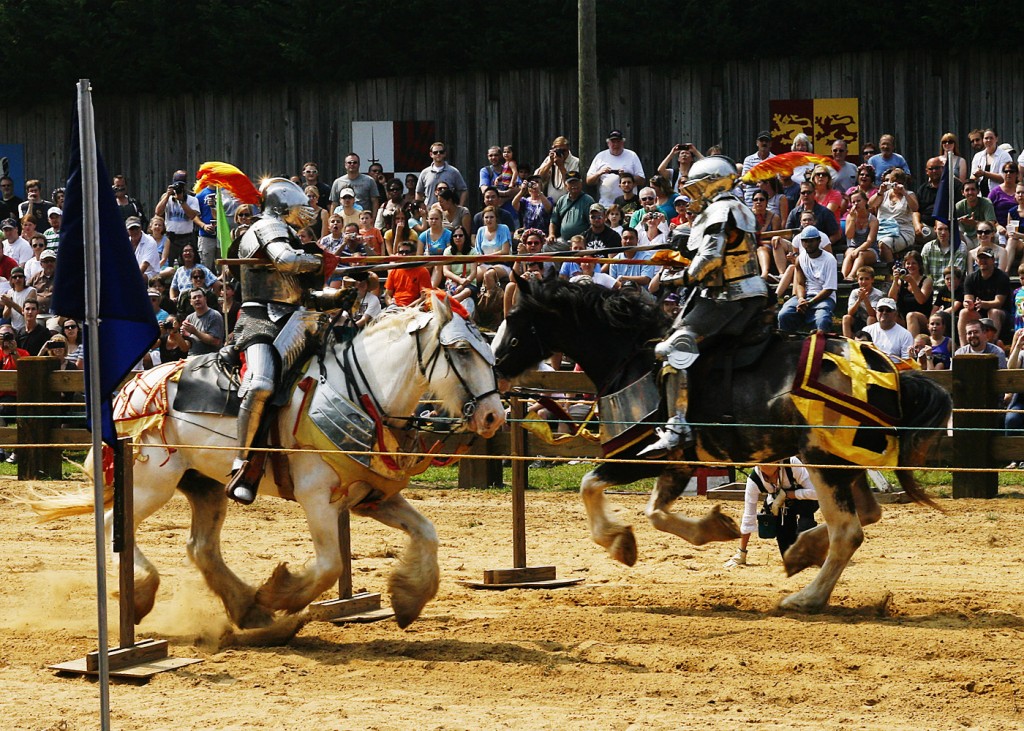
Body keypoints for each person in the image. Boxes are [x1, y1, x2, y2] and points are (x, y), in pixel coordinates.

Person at [226, 176, 342, 504]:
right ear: (282, 204)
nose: (306, 211)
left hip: (292, 318)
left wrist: (340, 295)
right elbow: (286, 261)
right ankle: (242, 463)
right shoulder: (267, 226)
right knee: (260, 384)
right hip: (260, 318)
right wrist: (321, 260)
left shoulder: (290, 234)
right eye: (299, 204)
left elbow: (302, 295)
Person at [642, 156, 768, 456]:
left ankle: (677, 427)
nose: (694, 195)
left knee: (671, 349)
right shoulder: (733, 208)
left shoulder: (722, 210)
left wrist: (677, 278)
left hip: (729, 297)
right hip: (738, 293)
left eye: (698, 189)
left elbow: (709, 261)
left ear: (713, 183)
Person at [724, 457, 819, 567]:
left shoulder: (792, 464)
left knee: (804, 530)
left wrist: (789, 494)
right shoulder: (754, 480)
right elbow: (748, 516)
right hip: (782, 508)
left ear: (778, 462)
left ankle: (811, 548)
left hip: (805, 503)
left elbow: (816, 493)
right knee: (789, 557)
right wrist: (741, 553)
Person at [777, 226, 837, 334]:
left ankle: (820, 345)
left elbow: (829, 289)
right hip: (805, 296)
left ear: (819, 241)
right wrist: (800, 299)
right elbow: (800, 283)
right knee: (784, 314)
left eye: (811, 241)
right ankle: (788, 341)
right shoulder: (800, 258)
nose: (808, 244)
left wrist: (809, 303)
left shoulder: (830, 259)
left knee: (822, 320)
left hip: (824, 298)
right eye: (805, 241)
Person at [959, 246, 1011, 342]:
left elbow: (999, 302)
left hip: (1001, 313)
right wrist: (968, 304)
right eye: (980, 258)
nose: (983, 261)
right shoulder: (970, 278)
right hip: (978, 312)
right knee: (964, 312)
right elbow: (967, 299)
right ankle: (964, 348)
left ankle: (991, 344)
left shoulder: (1002, 277)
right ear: (977, 261)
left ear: (993, 260)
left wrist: (983, 304)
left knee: (993, 311)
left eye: (986, 258)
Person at [870, 168, 919, 263]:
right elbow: (870, 205)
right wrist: (880, 192)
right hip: (883, 229)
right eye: (893, 183)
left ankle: (891, 270)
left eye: (899, 183)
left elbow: (915, 208)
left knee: (884, 243)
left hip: (902, 230)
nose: (896, 186)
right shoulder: (883, 194)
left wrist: (904, 193)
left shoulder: (909, 194)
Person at [586, 130, 645, 207]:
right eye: (613, 142)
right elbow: (589, 181)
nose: (616, 144)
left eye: (618, 141)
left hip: (628, 205)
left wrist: (626, 175)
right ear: (608, 143)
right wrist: (600, 173)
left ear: (623, 142)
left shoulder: (632, 155)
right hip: (606, 206)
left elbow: (642, 180)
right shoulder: (600, 156)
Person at [153, 170, 201, 267]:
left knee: (189, 264)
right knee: (169, 264)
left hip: (186, 237)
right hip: (170, 238)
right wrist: (167, 196)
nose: (180, 188)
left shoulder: (192, 200)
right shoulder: (167, 198)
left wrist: (182, 201)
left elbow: (192, 216)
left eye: (182, 186)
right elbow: (158, 212)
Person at [887, 250, 933, 336]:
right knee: (888, 314)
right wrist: (895, 280)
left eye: (913, 263)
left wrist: (912, 282)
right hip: (903, 319)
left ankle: (912, 346)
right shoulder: (902, 282)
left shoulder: (926, 281)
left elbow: (921, 300)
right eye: (908, 263)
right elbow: (891, 298)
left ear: (919, 265)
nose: (910, 266)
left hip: (921, 318)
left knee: (911, 316)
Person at [416, 141, 469, 207]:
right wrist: (422, 209)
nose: (438, 154)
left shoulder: (453, 172)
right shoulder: (424, 173)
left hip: (449, 212)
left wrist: (460, 207)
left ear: (445, 154)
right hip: (430, 212)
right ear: (431, 154)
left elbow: (464, 190)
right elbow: (418, 192)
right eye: (435, 152)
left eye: (441, 152)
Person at [841, 190, 879, 280]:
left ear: (865, 201)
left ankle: (851, 276)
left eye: (858, 201)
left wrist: (858, 250)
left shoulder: (873, 220)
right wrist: (853, 219)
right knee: (849, 253)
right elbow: (849, 236)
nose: (856, 204)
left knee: (860, 254)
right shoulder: (850, 217)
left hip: (870, 250)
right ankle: (842, 276)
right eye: (853, 202)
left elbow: (870, 241)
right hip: (853, 247)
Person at [862, 297, 913, 362]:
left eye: (888, 310)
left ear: (895, 313)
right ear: (876, 311)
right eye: (881, 310)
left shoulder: (905, 335)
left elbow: (906, 361)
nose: (884, 312)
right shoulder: (867, 331)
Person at [548, 171, 594, 242]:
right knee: (546, 247)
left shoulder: (588, 200)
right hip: (564, 240)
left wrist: (585, 238)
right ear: (566, 186)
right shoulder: (561, 200)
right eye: (571, 183)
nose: (574, 185)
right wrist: (551, 234)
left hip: (582, 241)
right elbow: (553, 221)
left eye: (576, 182)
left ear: (581, 184)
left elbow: (592, 224)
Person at [533, 135, 580, 202]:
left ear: (568, 149)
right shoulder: (550, 159)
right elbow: (538, 178)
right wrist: (550, 163)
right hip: (551, 203)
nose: (561, 153)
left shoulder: (575, 162)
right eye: (558, 150)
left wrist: (561, 166)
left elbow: (572, 184)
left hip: (569, 203)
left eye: (563, 150)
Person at [842, 265, 884, 338]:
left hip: (871, 321)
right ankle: (848, 341)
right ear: (857, 280)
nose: (864, 282)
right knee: (846, 318)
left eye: (867, 279)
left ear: (872, 280)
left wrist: (865, 299)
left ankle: (868, 340)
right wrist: (859, 300)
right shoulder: (854, 292)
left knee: (871, 318)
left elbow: (873, 314)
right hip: (858, 320)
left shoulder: (878, 294)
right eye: (861, 279)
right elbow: (850, 312)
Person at [386, 242, 432, 306]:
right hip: (395, 306)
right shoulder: (394, 270)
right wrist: (391, 304)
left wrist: (407, 308)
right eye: (401, 252)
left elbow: (424, 297)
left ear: (413, 254)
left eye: (407, 252)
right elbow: (387, 295)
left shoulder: (423, 271)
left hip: (415, 308)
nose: (404, 255)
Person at [920, 220, 966, 284]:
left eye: (946, 229)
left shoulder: (960, 246)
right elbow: (923, 273)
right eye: (940, 229)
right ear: (935, 229)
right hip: (931, 290)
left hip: (951, 290)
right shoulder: (928, 248)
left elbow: (957, 275)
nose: (943, 232)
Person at [970, 129, 1012, 197]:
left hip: (999, 196)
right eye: (986, 138)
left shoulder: (1004, 156)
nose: (988, 140)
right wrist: (976, 175)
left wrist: (984, 173)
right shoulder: (977, 156)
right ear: (983, 140)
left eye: (991, 138)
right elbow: (971, 178)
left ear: (996, 139)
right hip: (981, 197)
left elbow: (1004, 178)